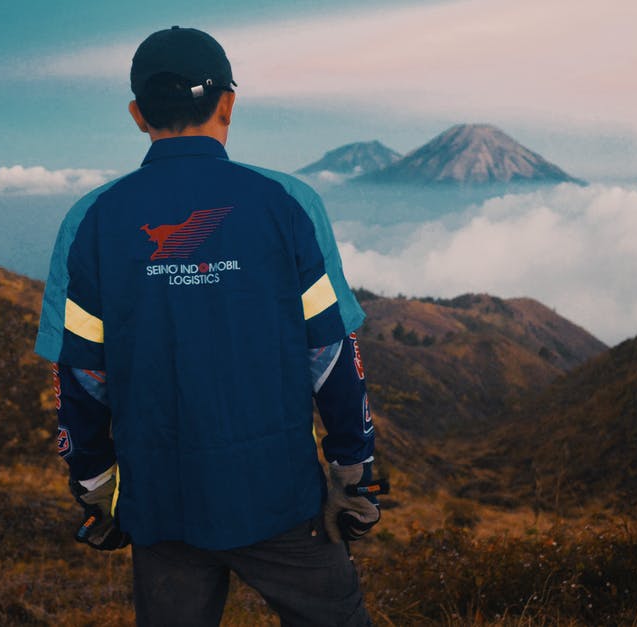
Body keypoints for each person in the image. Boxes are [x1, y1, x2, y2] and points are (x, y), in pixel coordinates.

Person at [33, 26, 383, 626]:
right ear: (228, 103)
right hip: (283, 501)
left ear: (138, 115)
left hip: (161, 509)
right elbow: (330, 354)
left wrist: (94, 483)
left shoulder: (89, 219)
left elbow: (82, 376)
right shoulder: (288, 203)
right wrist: (353, 472)